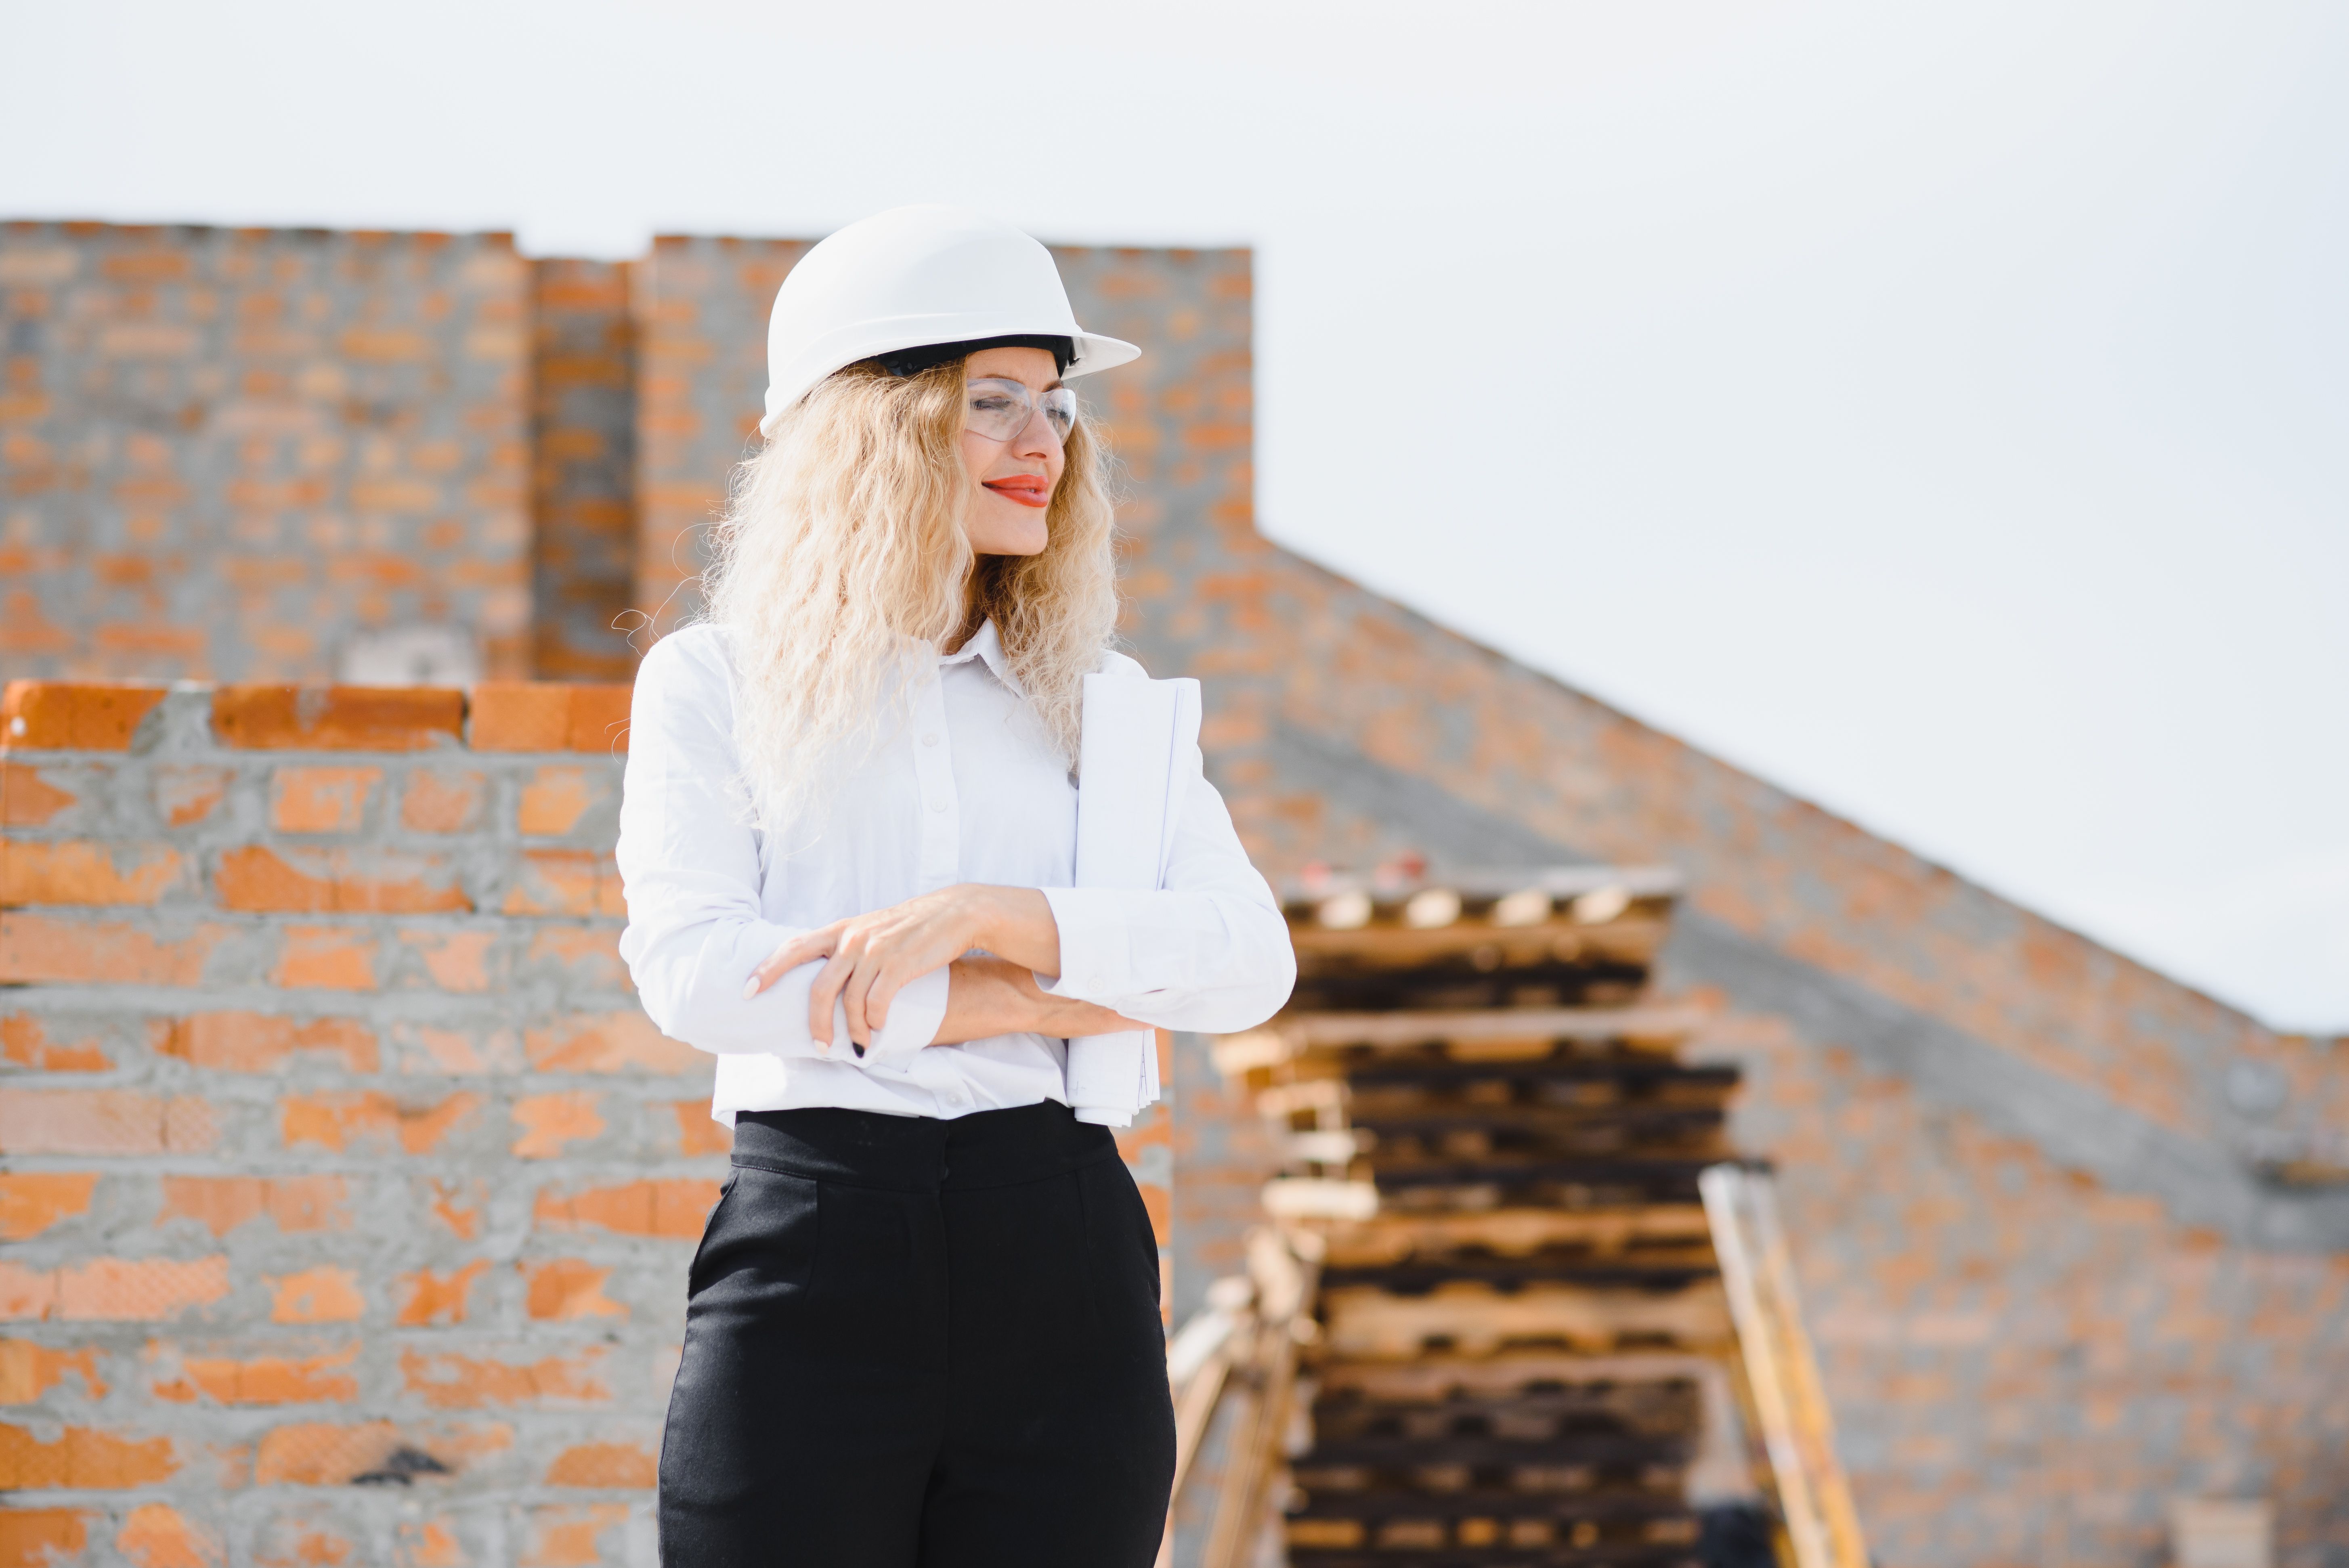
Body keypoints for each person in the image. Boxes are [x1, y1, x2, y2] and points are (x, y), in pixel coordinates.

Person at [615, 205, 1296, 1568]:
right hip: (812, 1241)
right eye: (995, 403)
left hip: (1061, 1248)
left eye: (1055, 405)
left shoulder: (1102, 712)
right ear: (875, 427)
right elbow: (694, 971)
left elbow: (1247, 962)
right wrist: (1022, 997)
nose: (1045, 443)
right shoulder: (713, 683)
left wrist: (994, 914)